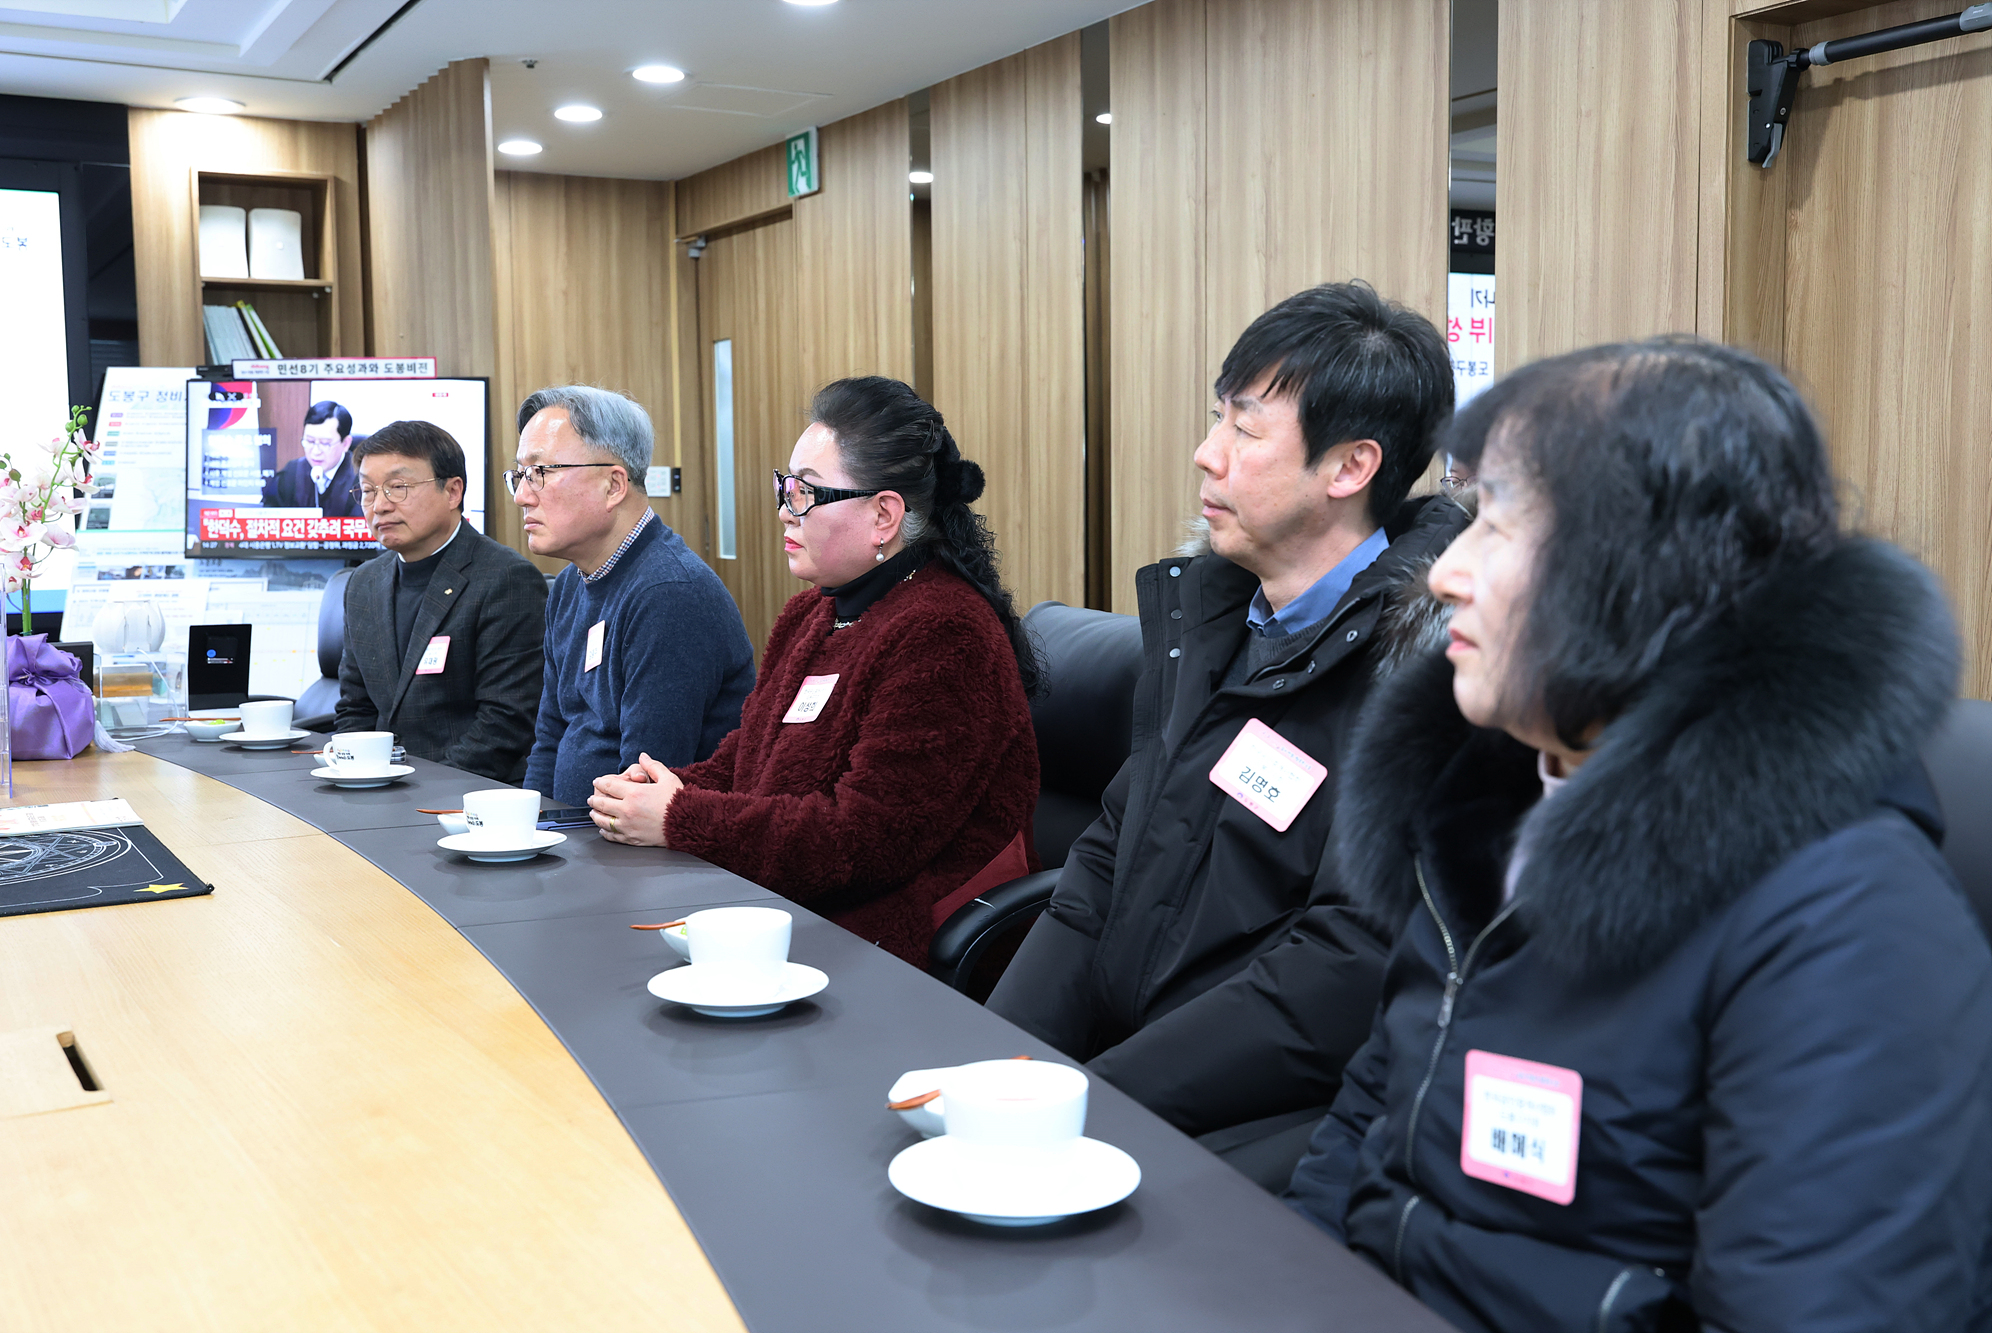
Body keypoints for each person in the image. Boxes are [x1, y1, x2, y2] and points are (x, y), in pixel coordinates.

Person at [1286, 338, 1992, 1332]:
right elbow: (1364, 1128)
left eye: (1498, 522)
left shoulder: (1850, 917)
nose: (1443, 571)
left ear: (1642, 570)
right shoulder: (1487, 803)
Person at [987, 281, 1467, 1184]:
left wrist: (1096, 1101)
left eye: (1246, 430)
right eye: (1220, 418)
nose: (1208, 455)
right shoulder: (1213, 622)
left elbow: (1344, 964)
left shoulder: (1424, 672)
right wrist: (1002, 1060)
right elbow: (1107, 857)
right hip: (1117, 1079)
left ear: (1350, 467)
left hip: (1259, 1119)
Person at [584, 377, 1040, 969]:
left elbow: (868, 840)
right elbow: (748, 759)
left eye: (806, 492)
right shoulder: (814, 612)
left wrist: (679, 816)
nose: (784, 509)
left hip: (887, 942)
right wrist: (656, 789)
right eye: (786, 486)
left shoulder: (945, 632)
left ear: (883, 515)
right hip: (788, 901)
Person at [516, 384, 754, 805]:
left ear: (614, 485)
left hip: (631, 839)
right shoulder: (570, 584)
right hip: (571, 832)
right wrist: (528, 823)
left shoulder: (668, 594)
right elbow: (550, 738)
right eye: (519, 474)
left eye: (541, 472)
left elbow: (643, 785)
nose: (521, 495)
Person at [333, 419, 546, 783]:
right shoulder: (363, 584)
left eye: (397, 488)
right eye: (368, 491)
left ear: (452, 492)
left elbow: (505, 724)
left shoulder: (506, 579)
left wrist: (420, 794)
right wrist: (356, 776)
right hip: (375, 788)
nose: (379, 506)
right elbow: (355, 709)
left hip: (468, 793)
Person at [263, 400, 361, 516]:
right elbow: (268, 515)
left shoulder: (361, 479)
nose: (315, 451)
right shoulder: (291, 473)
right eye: (309, 441)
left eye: (325, 443)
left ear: (345, 443)